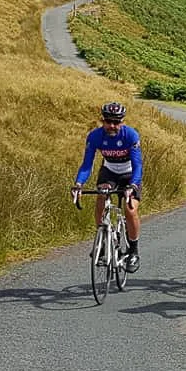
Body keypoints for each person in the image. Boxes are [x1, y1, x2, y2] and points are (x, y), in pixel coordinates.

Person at [72, 102, 143, 273]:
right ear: (102, 120)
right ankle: (102, 241)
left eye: (116, 122)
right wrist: (78, 184)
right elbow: (87, 164)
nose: (112, 126)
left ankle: (133, 251)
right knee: (101, 197)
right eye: (108, 121)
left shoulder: (130, 135)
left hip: (129, 173)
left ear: (122, 122)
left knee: (130, 209)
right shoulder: (95, 136)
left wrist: (133, 185)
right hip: (109, 171)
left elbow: (138, 165)